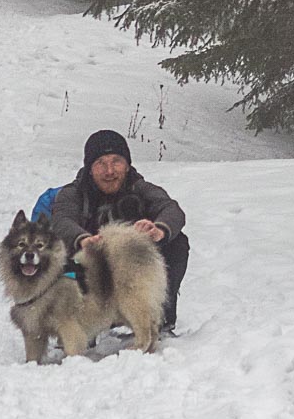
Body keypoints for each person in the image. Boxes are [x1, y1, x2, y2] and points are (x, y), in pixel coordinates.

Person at [32, 129, 190, 333]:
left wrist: (158, 230)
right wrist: (82, 240)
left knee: (176, 244)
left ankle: (158, 318)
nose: (109, 171)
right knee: (61, 256)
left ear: (127, 165)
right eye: (101, 163)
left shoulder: (140, 188)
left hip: (129, 274)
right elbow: (62, 220)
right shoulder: (73, 193)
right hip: (88, 271)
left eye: (116, 161)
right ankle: (78, 325)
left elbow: (171, 209)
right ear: (90, 168)